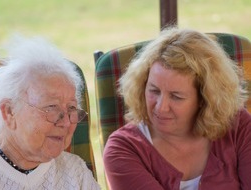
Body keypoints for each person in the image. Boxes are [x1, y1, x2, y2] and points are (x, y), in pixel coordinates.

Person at [103, 27, 251, 190]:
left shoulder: (238, 125)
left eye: (176, 96)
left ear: (205, 99)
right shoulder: (123, 149)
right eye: (154, 91)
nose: (161, 108)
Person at [0, 35, 100, 190]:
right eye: (51, 108)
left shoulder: (75, 172)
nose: (66, 122)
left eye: (71, 109)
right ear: (9, 111)